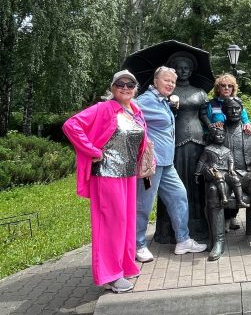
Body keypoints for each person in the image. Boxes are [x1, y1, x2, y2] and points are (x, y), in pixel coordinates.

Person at [63, 70, 147, 293]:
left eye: (131, 84)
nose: (126, 87)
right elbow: (71, 125)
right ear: (112, 87)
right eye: (121, 84)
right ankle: (110, 275)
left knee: (126, 223)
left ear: (136, 89)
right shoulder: (103, 108)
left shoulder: (136, 111)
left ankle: (125, 264)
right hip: (107, 175)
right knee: (110, 225)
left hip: (128, 175)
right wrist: (91, 150)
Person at [135, 66, 207, 263]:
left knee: (179, 197)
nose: (171, 84)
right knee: (144, 204)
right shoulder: (145, 101)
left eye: (173, 82)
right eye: (166, 80)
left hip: (167, 163)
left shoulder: (162, 101)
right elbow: (127, 113)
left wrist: (172, 107)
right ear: (156, 81)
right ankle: (138, 244)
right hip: (152, 164)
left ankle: (183, 240)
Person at [206, 97, 251, 260]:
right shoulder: (218, 130)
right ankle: (218, 242)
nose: (234, 111)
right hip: (226, 175)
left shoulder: (249, 131)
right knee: (214, 190)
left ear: (242, 110)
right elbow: (208, 154)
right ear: (224, 111)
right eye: (230, 108)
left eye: (237, 108)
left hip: (247, 175)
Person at [154, 52, 211, 243]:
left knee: (196, 183)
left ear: (192, 70)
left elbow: (204, 116)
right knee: (174, 185)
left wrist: (213, 128)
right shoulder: (166, 93)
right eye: (179, 67)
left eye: (186, 67)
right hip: (173, 141)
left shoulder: (200, 92)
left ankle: (197, 226)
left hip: (197, 139)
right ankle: (168, 230)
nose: (183, 70)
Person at [207, 73, 251, 232]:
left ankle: (232, 217)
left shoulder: (237, 102)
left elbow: (245, 119)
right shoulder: (212, 104)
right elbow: (206, 121)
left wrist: (247, 124)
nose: (226, 88)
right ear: (217, 88)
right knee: (221, 182)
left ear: (233, 88)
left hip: (235, 144)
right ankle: (223, 220)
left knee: (235, 179)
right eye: (223, 85)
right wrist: (214, 125)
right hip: (218, 144)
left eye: (230, 86)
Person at [196, 125, 249, 209]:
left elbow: (231, 160)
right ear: (213, 136)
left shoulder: (227, 150)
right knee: (219, 176)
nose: (221, 137)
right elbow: (201, 162)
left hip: (226, 172)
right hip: (215, 172)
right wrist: (197, 173)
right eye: (218, 135)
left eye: (223, 135)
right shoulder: (208, 149)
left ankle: (240, 201)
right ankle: (224, 198)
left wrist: (231, 169)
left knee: (236, 179)